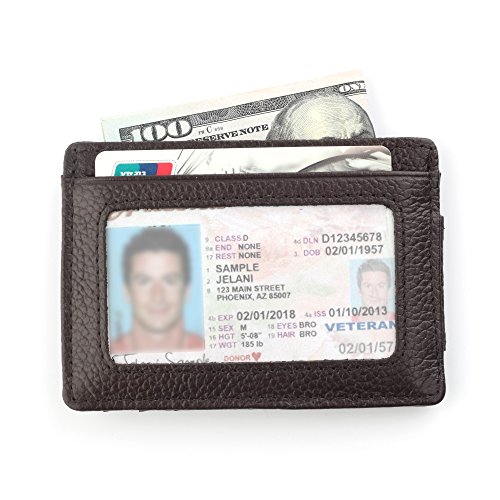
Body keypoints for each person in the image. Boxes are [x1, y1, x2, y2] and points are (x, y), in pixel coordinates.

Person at [110, 227, 204, 355]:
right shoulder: (106, 354)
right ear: (127, 292)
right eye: (144, 281)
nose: (158, 296)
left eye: (170, 281)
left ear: (187, 290)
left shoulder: (215, 354)